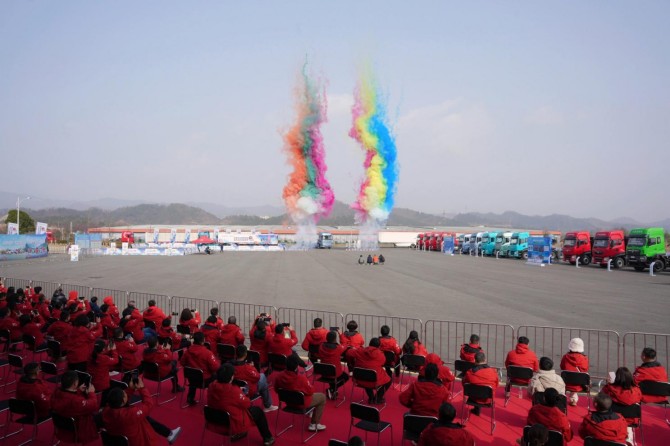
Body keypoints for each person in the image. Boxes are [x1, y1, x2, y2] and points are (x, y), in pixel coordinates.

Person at [208, 364, 275, 445]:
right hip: (232, 422)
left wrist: (238, 392)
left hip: (214, 420)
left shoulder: (211, 386)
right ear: (231, 377)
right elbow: (247, 404)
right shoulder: (233, 391)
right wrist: (241, 394)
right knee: (258, 412)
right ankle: (268, 438)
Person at [103, 377, 182, 445]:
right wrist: (142, 388)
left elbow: (121, 401)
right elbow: (148, 405)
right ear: (123, 401)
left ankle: (168, 433)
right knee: (145, 418)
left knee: (145, 418)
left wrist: (130, 389)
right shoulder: (131, 414)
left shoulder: (106, 411)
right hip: (138, 442)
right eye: (124, 393)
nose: (126, 393)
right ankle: (169, 434)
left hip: (120, 439)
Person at [274, 355, 327, 432]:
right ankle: (314, 424)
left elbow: (276, 390)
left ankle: (311, 412)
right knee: (322, 397)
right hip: (301, 404)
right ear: (296, 367)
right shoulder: (301, 378)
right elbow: (311, 391)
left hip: (288, 402)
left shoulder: (279, 376)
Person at [51, 371, 99, 444]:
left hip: (60, 424)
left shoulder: (56, 392)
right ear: (75, 384)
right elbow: (93, 405)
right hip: (77, 426)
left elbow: (68, 398)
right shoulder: (75, 401)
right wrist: (91, 393)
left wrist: (78, 390)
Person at [232, 344, 277, 412]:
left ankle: (267, 403)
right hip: (247, 390)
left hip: (235, 389)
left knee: (262, 378)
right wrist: (252, 367)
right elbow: (257, 377)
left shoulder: (230, 365)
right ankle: (268, 405)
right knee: (262, 377)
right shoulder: (248, 368)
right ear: (245, 355)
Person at [180, 331, 221, 405]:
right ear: (203, 340)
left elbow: (182, 362)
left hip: (191, 379)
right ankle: (215, 399)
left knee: (193, 373)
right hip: (204, 380)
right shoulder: (207, 353)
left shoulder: (188, 351)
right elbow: (215, 367)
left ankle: (190, 397)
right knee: (219, 375)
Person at [603, 367, 642, 444]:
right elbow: (639, 399)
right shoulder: (636, 390)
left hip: (614, 417)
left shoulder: (610, 388)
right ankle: (629, 438)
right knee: (629, 425)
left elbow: (602, 397)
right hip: (631, 419)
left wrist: (608, 384)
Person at [349, 338, 392, 404]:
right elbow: (382, 363)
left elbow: (349, 353)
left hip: (360, 378)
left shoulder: (360, 350)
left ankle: (371, 397)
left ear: (369, 344)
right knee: (388, 380)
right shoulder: (380, 354)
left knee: (367, 374)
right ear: (379, 346)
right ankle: (378, 398)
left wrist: (353, 361)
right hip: (373, 381)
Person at [317, 331, 349, 399]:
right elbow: (345, 344)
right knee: (346, 377)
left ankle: (333, 390)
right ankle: (332, 389)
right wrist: (341, 334)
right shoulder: (338, 348)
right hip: (335, 373)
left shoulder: (321, 346)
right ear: (335, 339)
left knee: (331, 371)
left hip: (324, 372)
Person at [87, 340, 119, 406]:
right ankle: (103, 406)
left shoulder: (90, 355)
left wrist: (108, 350)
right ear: (103, 349)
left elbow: (98, 355)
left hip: (92, 383)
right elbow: (116, 360)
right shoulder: (104, 359)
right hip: (102, 385)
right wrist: (114, 350)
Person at [560, 337, 589, 406]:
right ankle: (573, 399)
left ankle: (569, 399)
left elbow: (562, 367)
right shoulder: (584, 358)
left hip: (566, 383)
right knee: (579, 380)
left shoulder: (565, 357)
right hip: (579, 384)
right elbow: (585, 370)